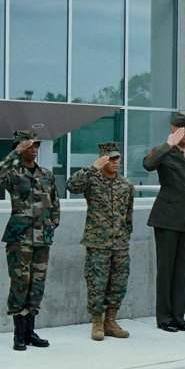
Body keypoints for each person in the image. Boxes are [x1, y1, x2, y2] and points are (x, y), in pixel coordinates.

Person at [0, 130, 60, 352]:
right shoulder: (13, 173)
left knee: (37, 284)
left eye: (36, 145)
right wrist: (15, 153)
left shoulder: (46, 174)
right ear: (19, 147)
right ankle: (19, 334)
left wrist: (52, 224)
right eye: (29, 145)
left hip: (42, 237)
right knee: (20, 283)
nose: (34, 149)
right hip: (19, 237)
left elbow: (55, 202)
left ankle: (30, 331)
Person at [67, 142, 135, 341]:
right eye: (111, 159)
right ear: (103, 159)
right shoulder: (92, 181)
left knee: (118, 283)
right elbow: (72, 185)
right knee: (97, 283)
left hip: (120, 243)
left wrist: (125, 235)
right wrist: (92, 168)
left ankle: (111, 321)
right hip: (98, 242)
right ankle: (97, 322)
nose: (115, 162)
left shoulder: (126, 185)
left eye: (117, 158)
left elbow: (128, 215)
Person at [143, 112, 185, 333]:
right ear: (172, 131)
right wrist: (168, 144)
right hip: (167, 218)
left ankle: (179, 316)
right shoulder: (164, 152)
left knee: (182, 270)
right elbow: (148, 164)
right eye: (180, 130)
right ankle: (164, 317)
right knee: (166, 269)